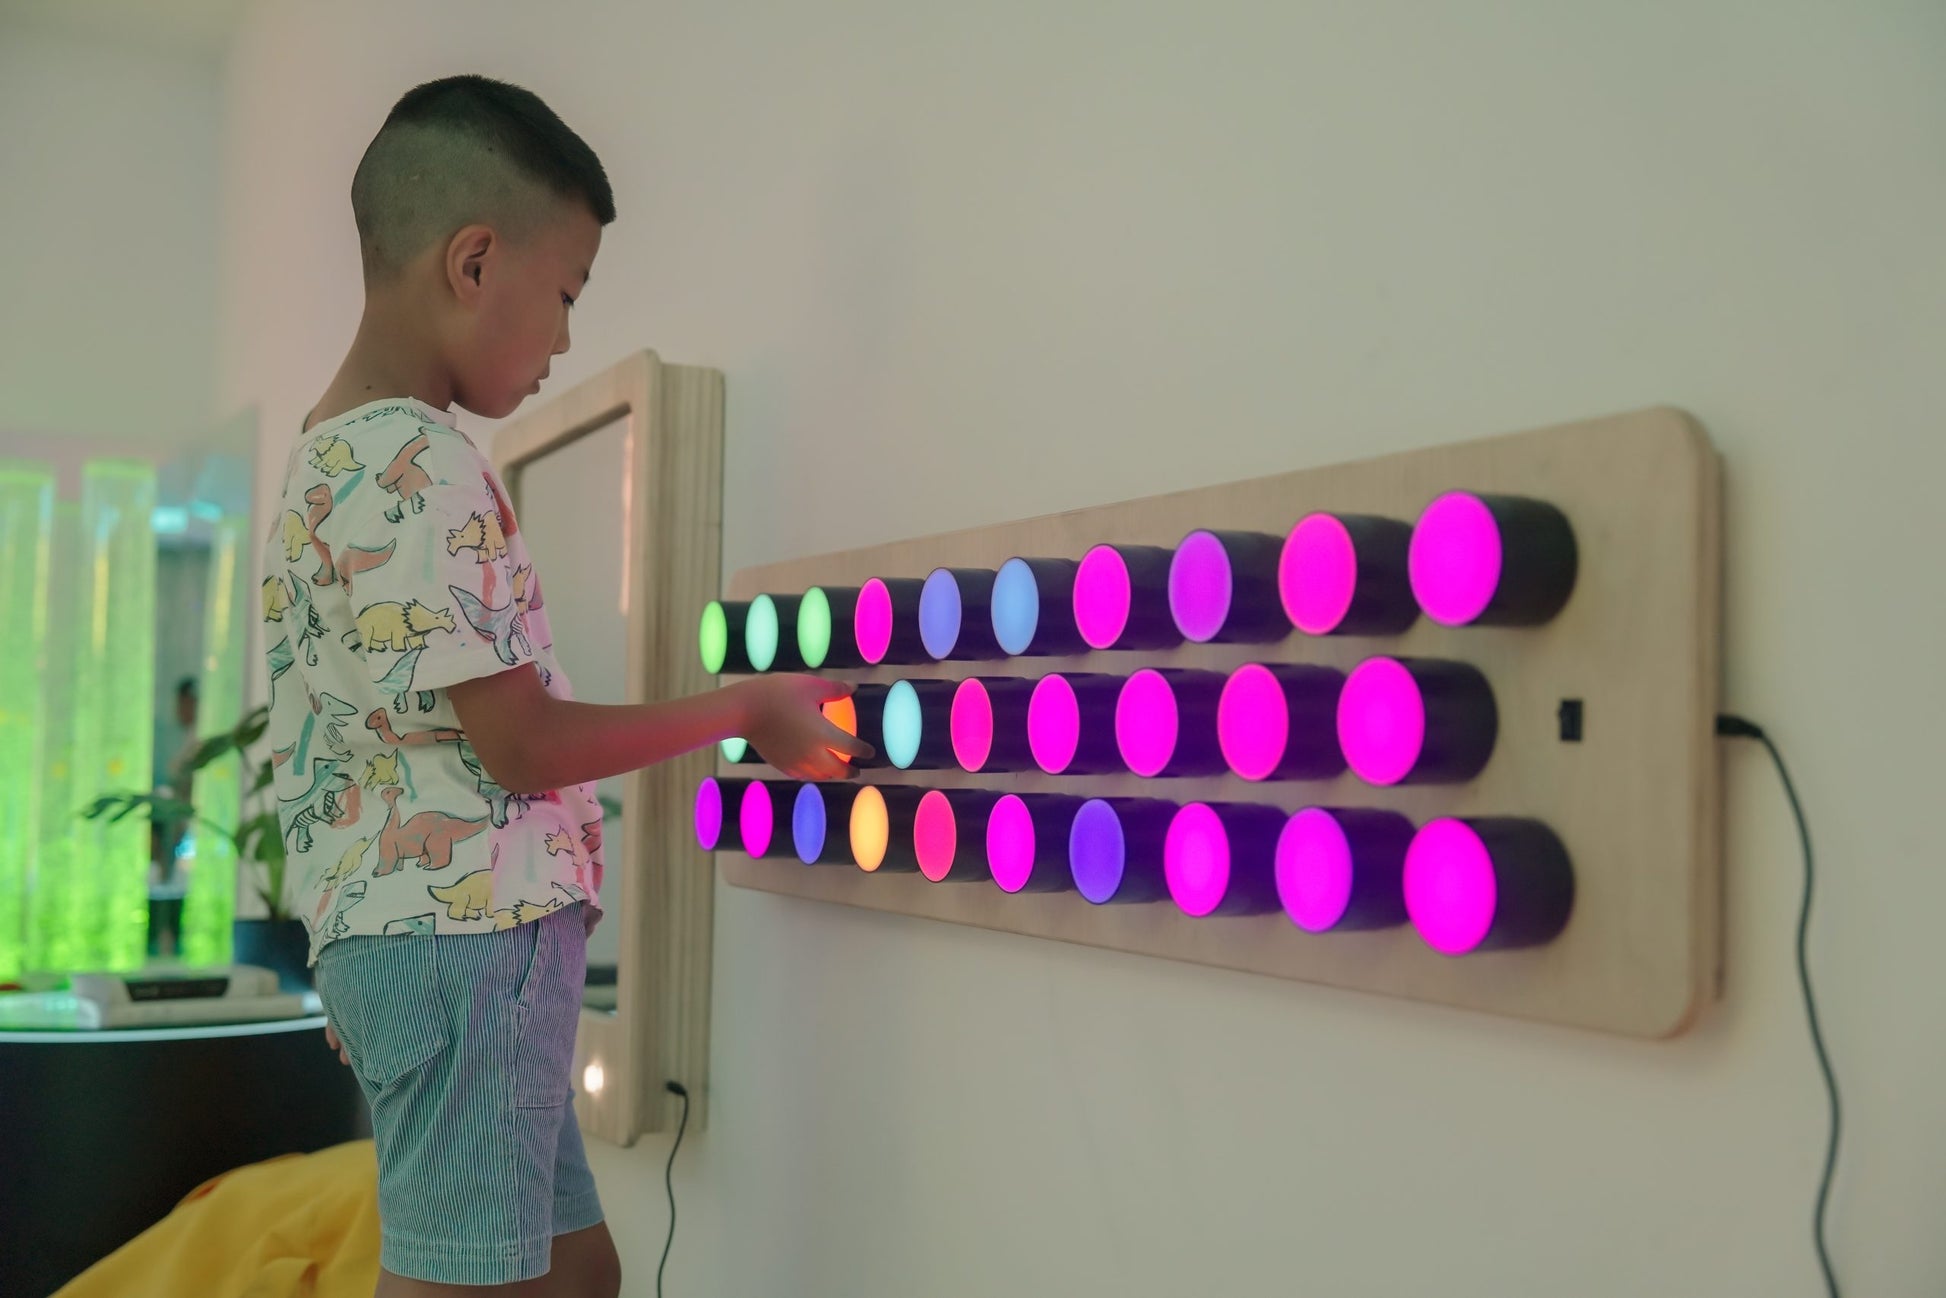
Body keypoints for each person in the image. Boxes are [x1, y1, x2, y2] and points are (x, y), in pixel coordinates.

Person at [264, 75, 869, 1298]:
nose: (564, 340)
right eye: (568, 294)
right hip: (464, 942)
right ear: (474, 261)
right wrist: (747, 706)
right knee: (462, 1281)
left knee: (576, 1269)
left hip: (414, 940)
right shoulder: (417, 458)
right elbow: (524, 743)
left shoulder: (328, 455)